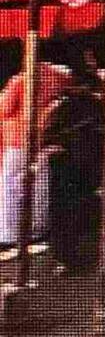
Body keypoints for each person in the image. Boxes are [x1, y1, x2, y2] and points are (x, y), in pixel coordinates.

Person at [0, 54, 73, 251]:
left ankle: (10, 233)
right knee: (39, 184)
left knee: (11, 186)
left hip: (17, 138)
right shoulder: (58, 77)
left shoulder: (20, 81)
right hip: (42, 138)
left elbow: (4, 109)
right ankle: (38, 228)